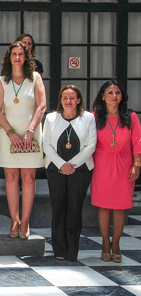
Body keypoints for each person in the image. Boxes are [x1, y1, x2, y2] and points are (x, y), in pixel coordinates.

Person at [0, 41, 46, 240]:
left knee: (28, 178)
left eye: (21, 54)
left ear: (26, 57)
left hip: (31, 132)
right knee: (10, 178)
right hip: (9, 134)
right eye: (14, 54)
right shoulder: (2, 81)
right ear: (9, 57)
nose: (17, 57)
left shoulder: (35, 78)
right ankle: (14, 219)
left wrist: (30, 131)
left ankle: (25, 221)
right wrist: (10, 133)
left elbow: (41, 106)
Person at [43, 85, 96, 261]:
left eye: (72, 98)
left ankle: (72, 251)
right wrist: (61, 164)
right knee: (59, 208)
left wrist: (71, 165)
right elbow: (47, 145)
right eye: (65, 98)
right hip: (55, 169)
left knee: (74, 209)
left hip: (80, 170)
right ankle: (59, 250)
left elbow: (91, 145)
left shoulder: (88, 118)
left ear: (79, 100)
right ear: (60, 100)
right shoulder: (51, 118)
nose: (68, 101)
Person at [91, 80, 141, 263]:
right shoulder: (94, 116)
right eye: (110, 93)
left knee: (120, 208)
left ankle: (116, 244)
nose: (114, 96)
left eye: (118, 93)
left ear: (122, 96)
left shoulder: (131, 117)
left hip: (124, 166)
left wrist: (137, 165)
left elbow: (137, 142)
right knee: (103, 206)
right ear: (103, 96)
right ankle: (105, 243)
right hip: (102, 165)